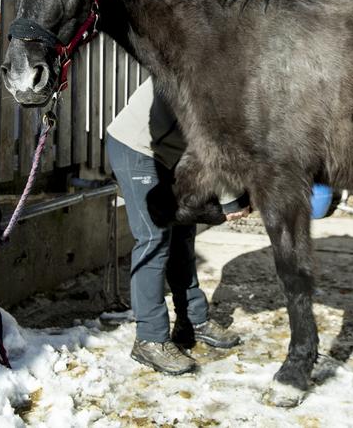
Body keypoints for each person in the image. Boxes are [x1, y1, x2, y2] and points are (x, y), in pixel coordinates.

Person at [106, 78, 248, 375]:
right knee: (153, 239)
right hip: (139, 149)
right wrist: (232, 201)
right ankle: (150, 339)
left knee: (182, 235)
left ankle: (193, 320)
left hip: (174, 151)